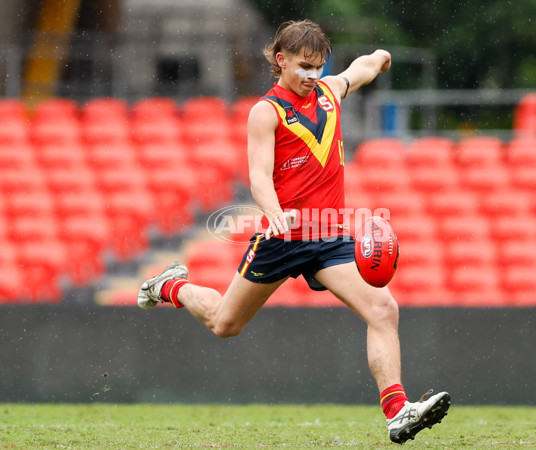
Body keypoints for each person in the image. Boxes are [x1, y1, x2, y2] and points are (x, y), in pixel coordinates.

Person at [138, 19, 450, 444]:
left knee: (383, 309)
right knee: (224, 323)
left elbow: (356, 72)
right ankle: (170, 286)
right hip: (282, 237)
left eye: (319, 66)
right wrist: (274, 212)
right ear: (281, 60)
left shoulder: (328, 92)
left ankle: (397, 411)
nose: (312, 75)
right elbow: (259, 175)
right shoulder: (266, 111)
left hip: (328, 235)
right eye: (304, 66)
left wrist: (378, 59)